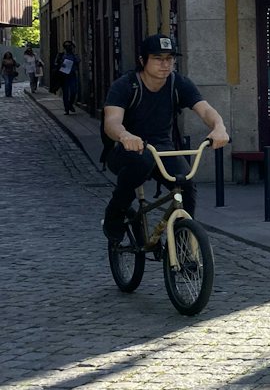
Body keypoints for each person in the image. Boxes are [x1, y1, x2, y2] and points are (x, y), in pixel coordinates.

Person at [101, 34, 229, 242]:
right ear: (143, 61)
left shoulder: (177, 83)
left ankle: (184, 241)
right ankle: (115, 212)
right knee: (141, 162)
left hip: (162, 149)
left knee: (186, 183)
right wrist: (125, 135)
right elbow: (112, 121)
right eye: (158, 58)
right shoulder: (125, 85)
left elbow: (205, 110)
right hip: (127, 150)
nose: (165, 64)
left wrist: (219, 127)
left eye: (170, 59)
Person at [57, 40, 80, 113]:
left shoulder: (74, 55)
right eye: (66, 46)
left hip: (72, 75)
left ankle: (70, 104)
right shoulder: (61, 55)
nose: (68, 48)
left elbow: (78, 61)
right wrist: (61, 64)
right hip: (63, 76)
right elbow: (56, 63)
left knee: (73, 91)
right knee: (65, 93)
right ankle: (66, 108)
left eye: (69, 46)